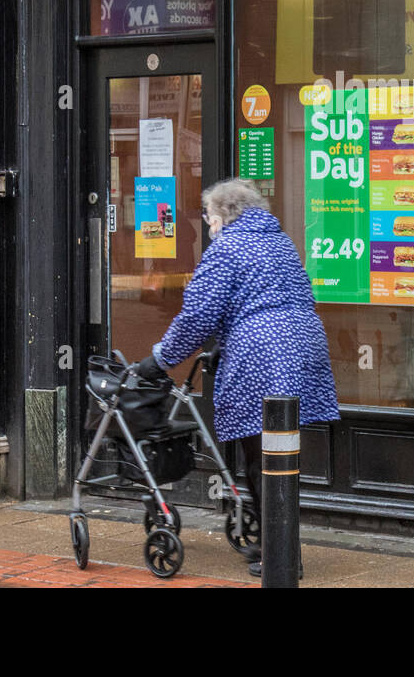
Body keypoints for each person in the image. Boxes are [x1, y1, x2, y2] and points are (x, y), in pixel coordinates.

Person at [135, 177, 339, 577]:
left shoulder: (228, 249)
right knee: (278, 452)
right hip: (304, 346)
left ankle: (282, 559)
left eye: (210, 217)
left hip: (263, 354)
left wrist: (159, 360)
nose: (209, 226)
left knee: (262, 457)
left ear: (225, 215)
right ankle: (277, 546)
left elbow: (197, 315)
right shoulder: (279, 241)